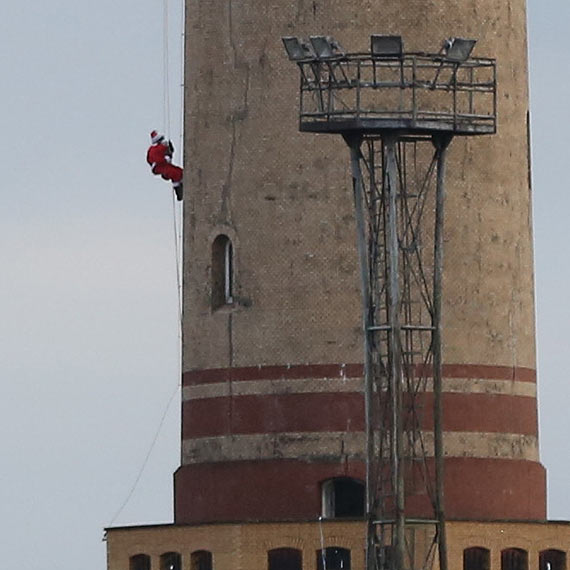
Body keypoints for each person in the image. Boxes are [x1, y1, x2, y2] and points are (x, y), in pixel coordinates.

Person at [146, 130, 183, 201]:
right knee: (174, 173)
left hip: (164, 166)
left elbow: (168, 154)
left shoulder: (161, 147)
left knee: (178, 172)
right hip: (160, 167)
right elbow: (157, 159)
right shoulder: (154, 149)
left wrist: (169, 153)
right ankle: (179, 192)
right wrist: (165, 159)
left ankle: (180, 188)